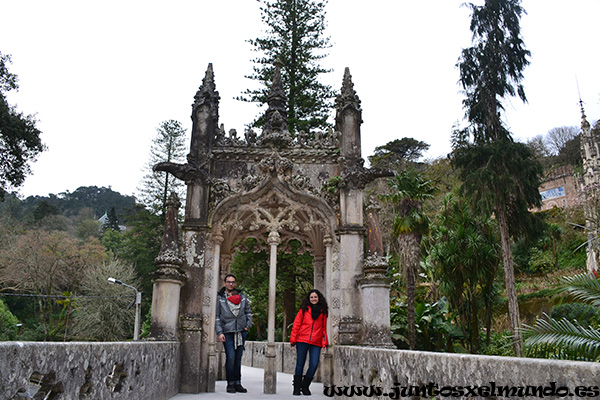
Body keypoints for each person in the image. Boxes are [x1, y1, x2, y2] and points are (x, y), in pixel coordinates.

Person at [215, 273, 252, 393]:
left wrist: (247, 325)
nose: (231, 284)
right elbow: (217, 316)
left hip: (241, 331)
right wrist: (220, 332)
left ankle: (238, 383)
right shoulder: (220, 298)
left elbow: (248, 312)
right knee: (230, 357)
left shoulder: (242, 296)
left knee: (238, 358)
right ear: (225, 283)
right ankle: (230, 383)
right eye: (228, 282)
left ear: (235, 283)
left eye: (233, 282)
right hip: (227, 331)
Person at [290, 289, 328, 396]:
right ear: (309, 299)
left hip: (316, 342)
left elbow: (323, 328)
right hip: (302, 340)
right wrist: (293, 341)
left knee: (314, 364)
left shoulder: (323, 311)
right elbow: (296, 325)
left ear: (319, 298)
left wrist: (324, 342)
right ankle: (297, 388)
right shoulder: (304, 310)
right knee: (300, 364)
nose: (313, 299)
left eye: (315, 297)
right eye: (311, 297)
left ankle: (305, 385)